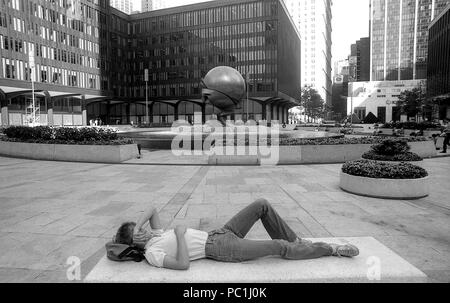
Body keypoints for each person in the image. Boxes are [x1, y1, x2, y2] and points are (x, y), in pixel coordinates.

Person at [114, 199, 359, 270]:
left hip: (220, 233)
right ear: (134, 243)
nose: (145, 231)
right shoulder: (152, 253)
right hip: (221, 250)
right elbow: (182, 265)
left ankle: (299, 242)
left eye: (142, 229)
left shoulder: (154, 236)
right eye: (139, 233)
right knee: (277, 246)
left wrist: (137, 228)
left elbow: (152, 208)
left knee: (261, 205)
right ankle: (331, 249)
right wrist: (178, 235)